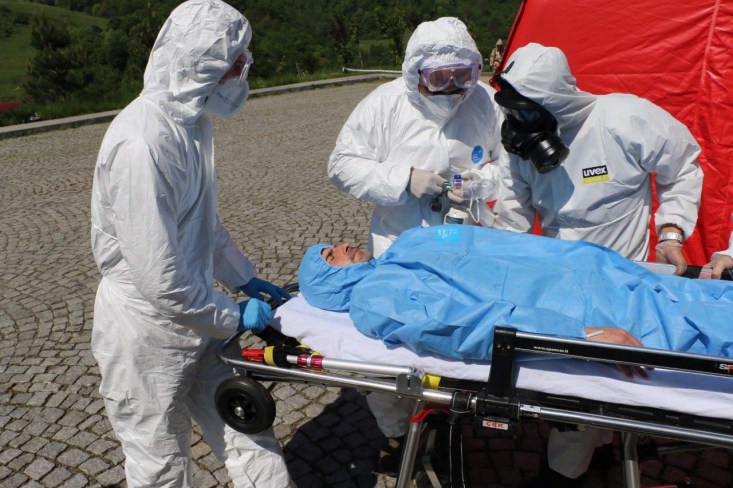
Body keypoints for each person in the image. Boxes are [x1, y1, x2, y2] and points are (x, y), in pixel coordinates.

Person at [90, 1, 293, 486]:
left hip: (199, 319)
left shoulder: (190, 122)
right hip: (147, 331)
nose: (243, 74)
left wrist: (244, 277)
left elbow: (203, 225)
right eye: (237, 64)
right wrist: (230, 315)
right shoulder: (142, 143)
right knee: (159, 461)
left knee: (247, 430)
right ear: (203, 66)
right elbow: (159, 279)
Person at [489, 42, 704, 484]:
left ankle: (573, 467)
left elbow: (683, 166)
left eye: (527, 113)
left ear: (555, 102)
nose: (517, 124)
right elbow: (511, 213)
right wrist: (501, 263)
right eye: (512, 112)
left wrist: (671, 231)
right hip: (558, 276)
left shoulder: (625, 118)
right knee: (573, 380)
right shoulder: (521, 146)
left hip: (622, 274)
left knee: (599, 378)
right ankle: (586, 453)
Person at [298, 224, 732, 364]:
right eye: (331, 256)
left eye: (333, 244)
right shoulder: (374, 297)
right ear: (329, 286)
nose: (343, 245)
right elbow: (460, 328)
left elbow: (502, 242)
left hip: (600, 270)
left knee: (700, 299)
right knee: (702, 326)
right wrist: (581, 336)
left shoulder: (409, 241)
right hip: (591, 310)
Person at [328, 17, 504, 259]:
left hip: (468, 240)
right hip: (398, 242)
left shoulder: (486, 101)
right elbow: (342, 164)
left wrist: (479, 183)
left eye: (462, 75)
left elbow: (514, 166)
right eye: (438, 78)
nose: (450, 87)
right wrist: (404, 180)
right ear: (416, 73)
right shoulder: (384, 103)